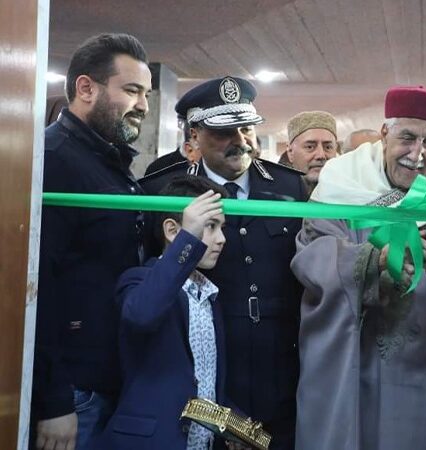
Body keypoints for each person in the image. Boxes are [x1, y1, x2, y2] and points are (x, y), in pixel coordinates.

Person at [292, 86, 426, 450]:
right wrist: (376, 260)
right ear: (385, 133)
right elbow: (312, 258)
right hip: (351, 365)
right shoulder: (340, 188)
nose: (417, 154)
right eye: (407, 138)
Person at [140, 76, 306, 450]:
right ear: (194, 135)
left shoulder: (289, 188)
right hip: (206, 366)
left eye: (246, 128)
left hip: (280, 365)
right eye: (224, 132)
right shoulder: (163, 191)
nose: (240, 140)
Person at [34, 33, 152, 450]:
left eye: (146, 94)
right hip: (75, 391)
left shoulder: (109, 162)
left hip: (107, 379)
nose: (144, 105)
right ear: (86, 88)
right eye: (132, 91)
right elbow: (36, 288)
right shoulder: (55, 160)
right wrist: (53, 401)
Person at [97, 176, 234, 449]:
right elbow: (142, 315)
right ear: (172, 231)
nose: (222, 239)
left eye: (222, 227)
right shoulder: (138, 280)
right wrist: (187, 240)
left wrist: (233, 426)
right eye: (210, 226)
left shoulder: (209, 295)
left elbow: (202, 385)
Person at [284, 111, 338, 195]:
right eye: (310, 147)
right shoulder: (271, 197)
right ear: (290, 152)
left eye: (328, 147)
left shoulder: (351, 197)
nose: (321, 155)